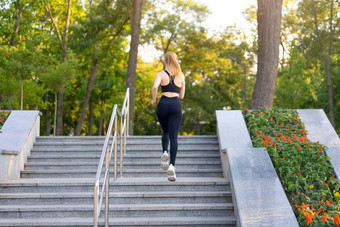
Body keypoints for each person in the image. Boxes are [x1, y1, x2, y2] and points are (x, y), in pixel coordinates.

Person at [151, 52, 185, 181]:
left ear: (165, 61)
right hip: (175, 105)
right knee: (174, 137)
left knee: (165, 131)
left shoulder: (160, 74)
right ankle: (172, 165)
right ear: (176, 60)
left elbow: (155, 87)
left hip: (163, 103)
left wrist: (154, 99)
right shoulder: (181, 75)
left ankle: (164, 151)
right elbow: (181, 96)